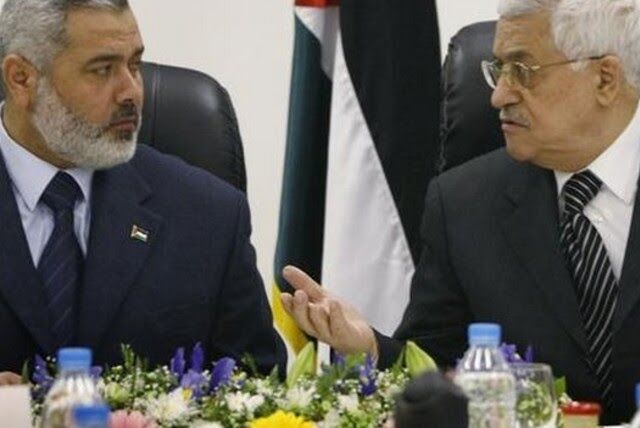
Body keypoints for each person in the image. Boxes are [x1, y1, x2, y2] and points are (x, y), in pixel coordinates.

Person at [281, 0, 640, 423]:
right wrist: (371, 349)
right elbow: (437, 369)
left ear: (605, 79)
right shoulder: (463, 204)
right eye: (498, 69)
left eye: (523, 71)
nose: (498, 95)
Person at [0, 0, 285, 385]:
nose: (131, 91)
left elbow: (259, 386)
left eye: (134, 65)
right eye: (102, 70)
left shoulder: (209, 215)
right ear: (21, 79)